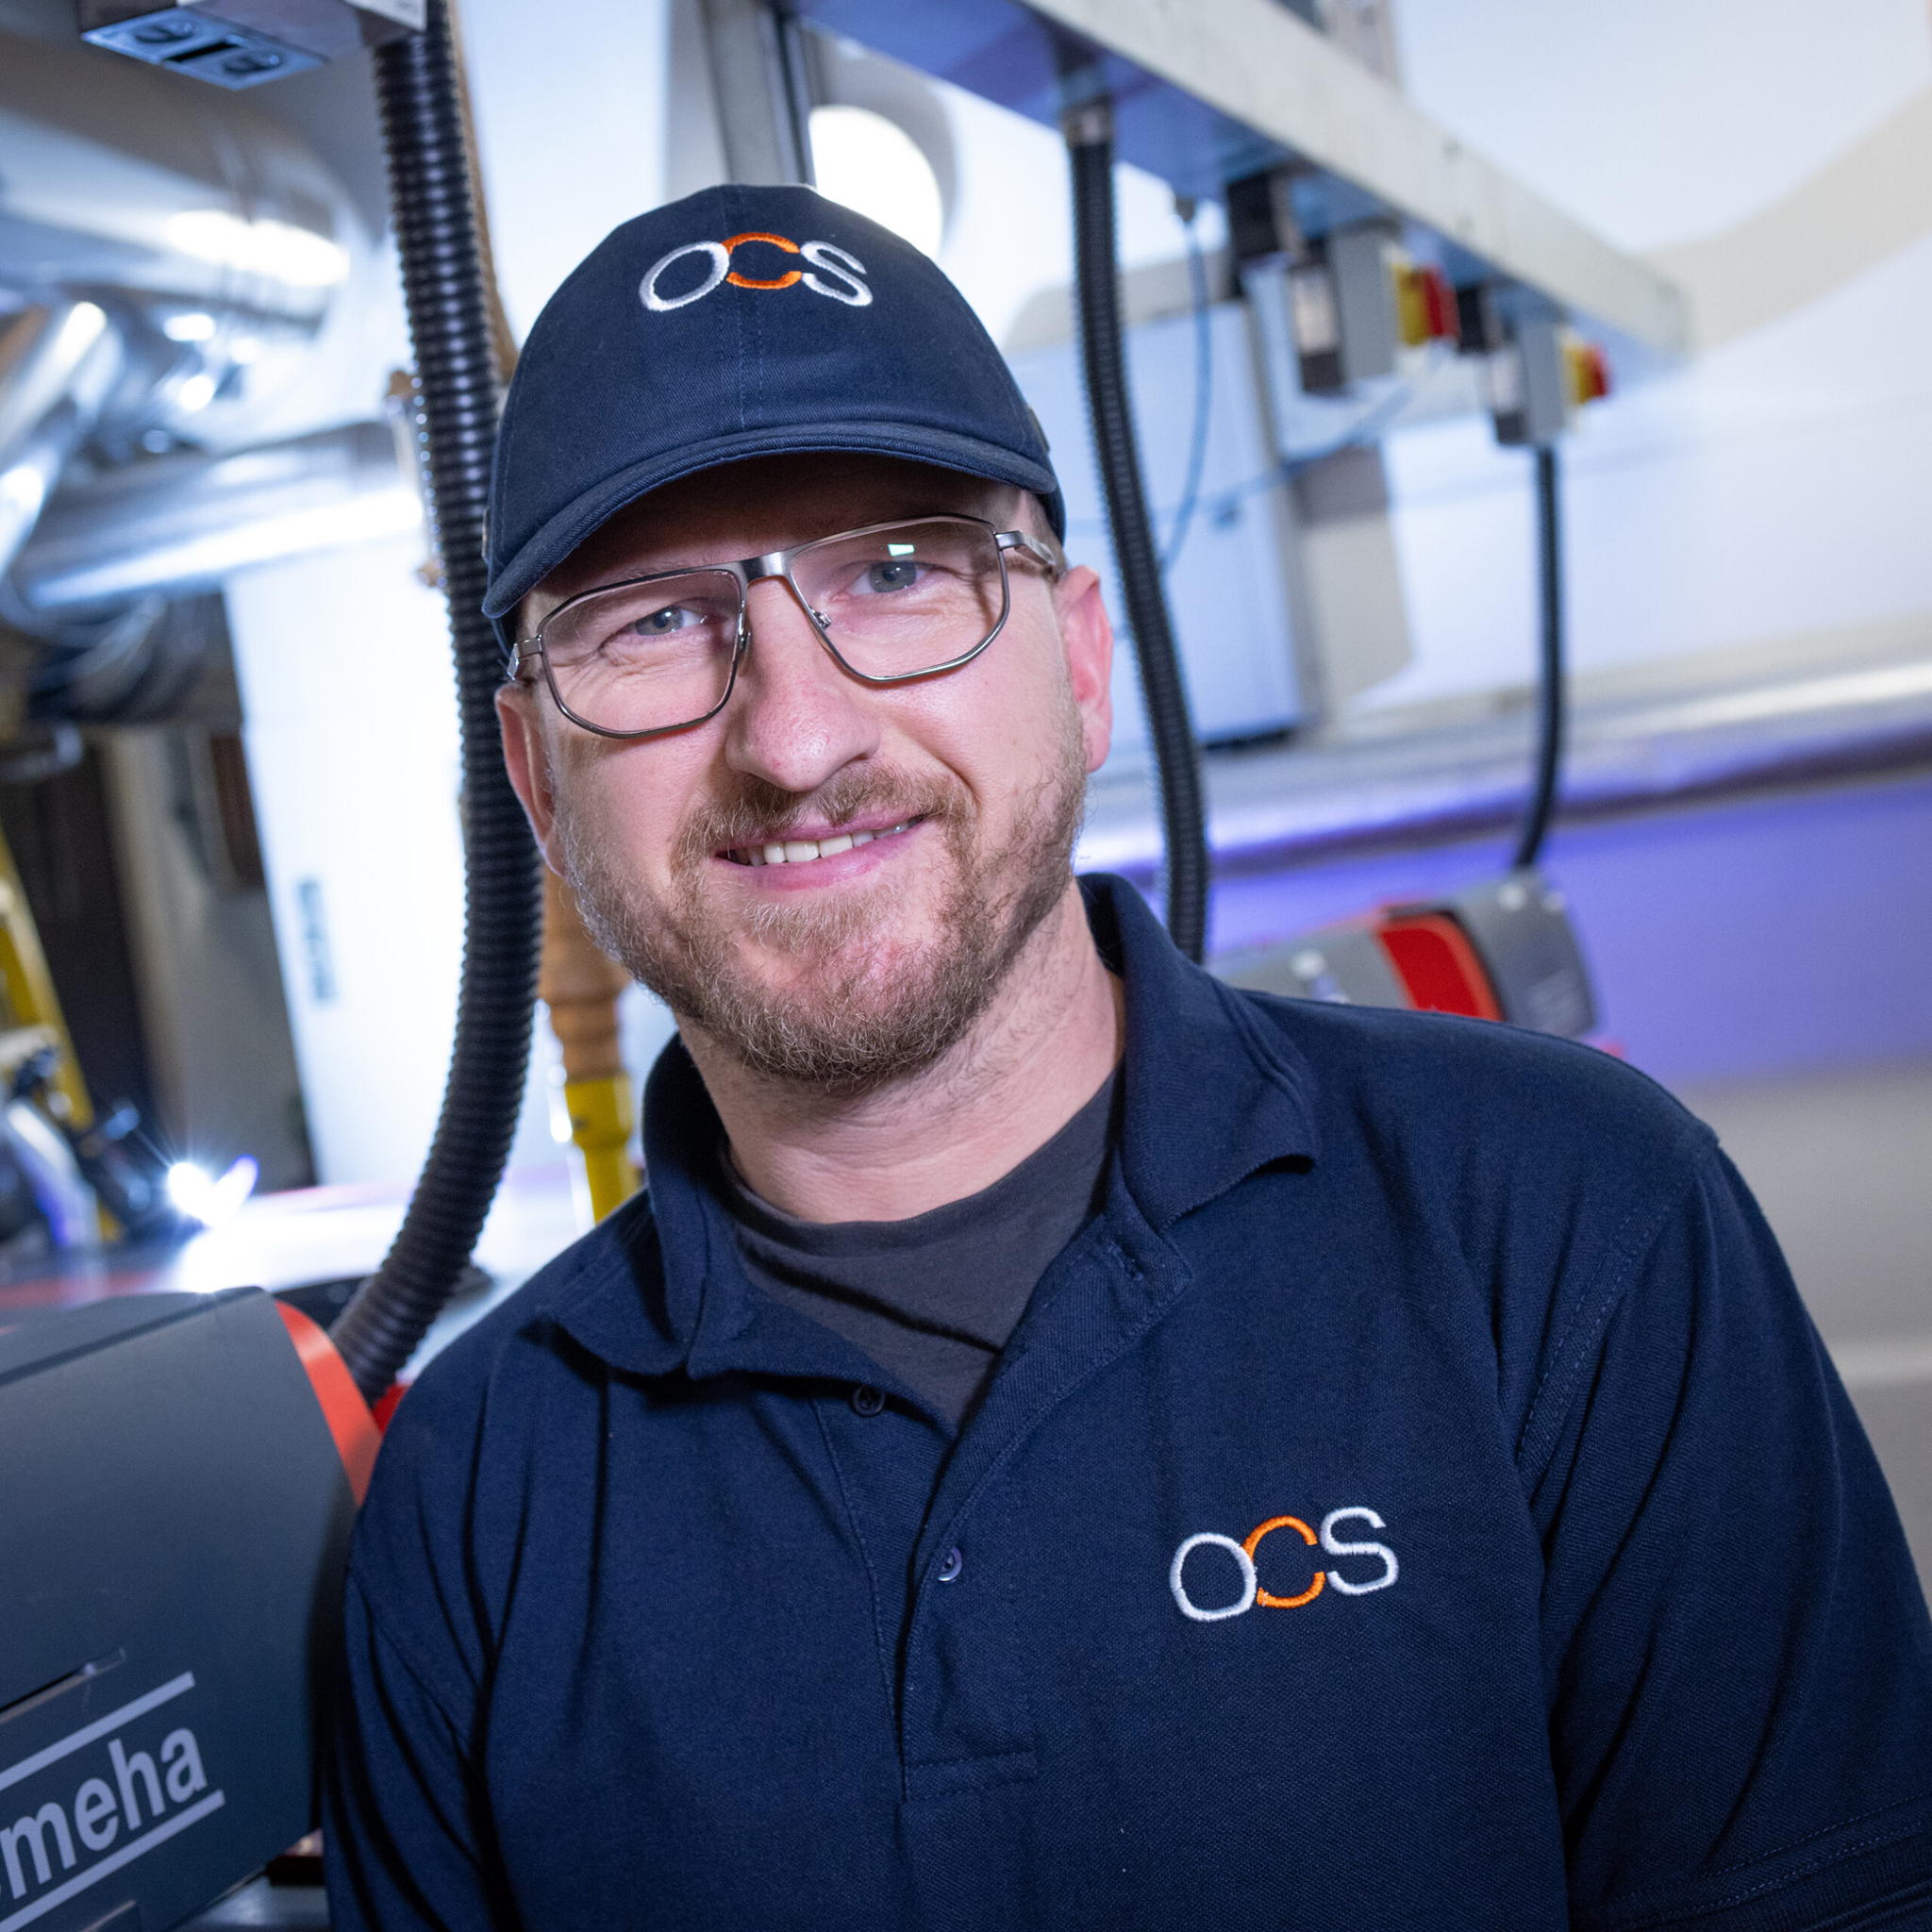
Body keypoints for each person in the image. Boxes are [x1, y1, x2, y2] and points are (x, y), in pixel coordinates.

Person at [324, 184, 1932, 1931]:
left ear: (1081, 662)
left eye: (897, 569)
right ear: (538, 777)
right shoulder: (475, 1502)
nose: (795, 737)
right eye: (653, 622)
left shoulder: (1568, 1230)